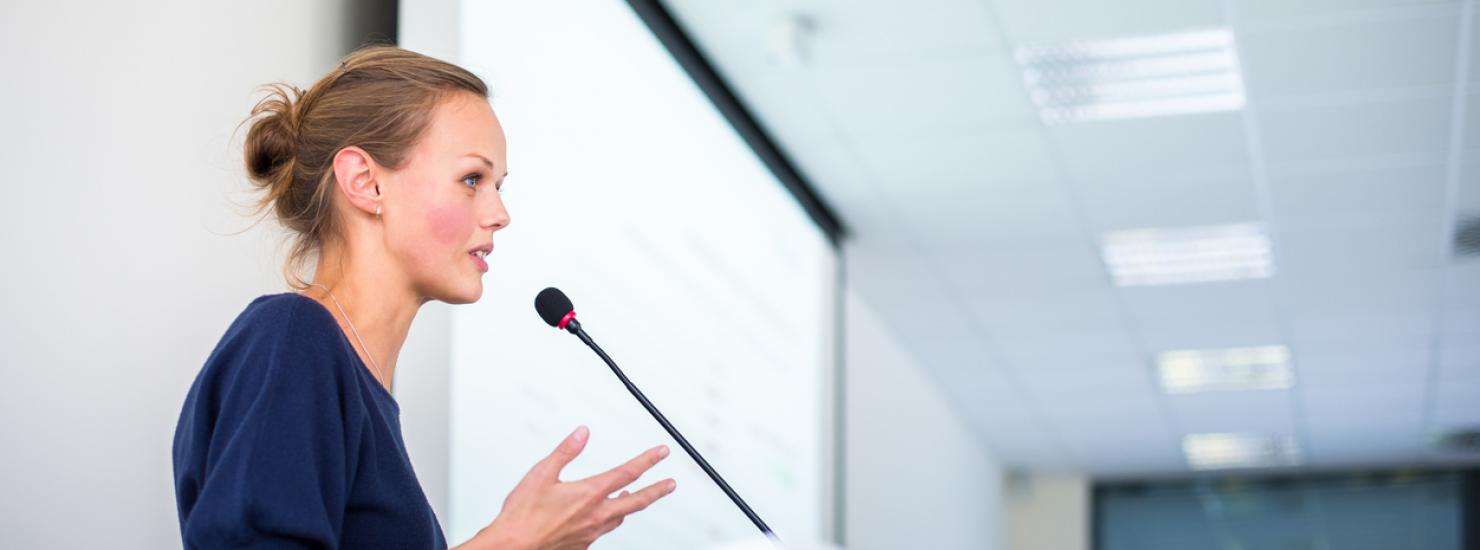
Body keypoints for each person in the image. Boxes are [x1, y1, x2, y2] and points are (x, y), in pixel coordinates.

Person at [172, 45, 676, 549]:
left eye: (498, 186)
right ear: (365, 183)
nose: (501, 214)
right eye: (472, 179)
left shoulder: (355, 385)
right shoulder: (292, 340)